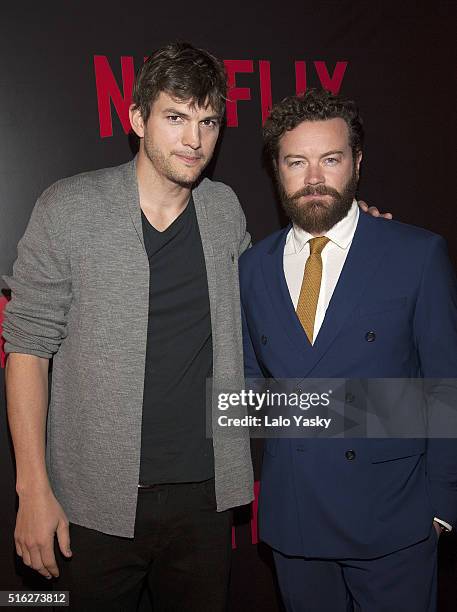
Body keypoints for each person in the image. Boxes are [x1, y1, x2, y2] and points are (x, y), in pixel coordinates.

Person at [3, 43, 383, 610]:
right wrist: (32, 489)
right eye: (175, 118)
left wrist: (347, 236)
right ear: (137, 120)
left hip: (204, 503)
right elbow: (28, 349)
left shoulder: (223, 209)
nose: (194, 140)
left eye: (208, 123)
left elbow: (272, 289)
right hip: (92, 501)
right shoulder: (69, 207)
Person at [239, 88, 457, 612]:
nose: (314, 178)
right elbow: (247, 390)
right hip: (296, 525)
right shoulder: (252, 267)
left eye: (330, 159)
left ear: (357, 163)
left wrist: (442, 506)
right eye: (297, 161)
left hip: (395, 522)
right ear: (277, 170)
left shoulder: (417, 254)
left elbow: (446, 385)